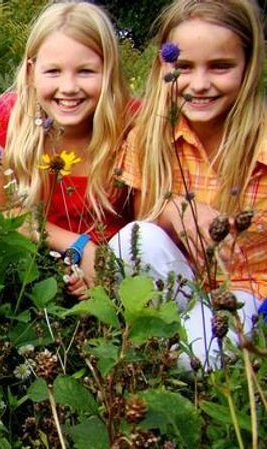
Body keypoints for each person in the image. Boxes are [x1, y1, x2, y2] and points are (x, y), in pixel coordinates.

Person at [112, 0, 267, 368]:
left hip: (249, 289)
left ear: (249, 66)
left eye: (220, 66)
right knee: (129, 241)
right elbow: (143, 221)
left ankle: (179, 356)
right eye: (183, 67)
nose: (199, 84)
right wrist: (176, 212)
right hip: (184, 276)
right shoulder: (151, 134)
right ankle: (157, 339)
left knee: (193, 357)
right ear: (164, 67)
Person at [0, 1, 135, 299]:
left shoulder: (132, 125)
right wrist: (78, 245)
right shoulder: (8, 120)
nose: (69, 87)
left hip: (119, 269)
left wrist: (105, 266)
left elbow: (149, 225)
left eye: (86, 71)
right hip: (33, 263)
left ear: (109, 71)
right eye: (53, 71)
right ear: (31, 71)